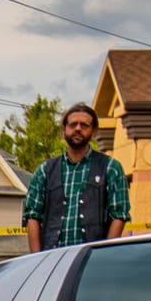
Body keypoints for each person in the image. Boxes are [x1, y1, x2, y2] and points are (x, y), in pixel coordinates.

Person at [23, 103, 129, 251]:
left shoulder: (111, 168)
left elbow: (119, 215)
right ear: (63, 129)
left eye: (84, 125)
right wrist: (37, 259)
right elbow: (32, 217)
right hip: (52, 259)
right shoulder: (44, 171)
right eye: (73, 124)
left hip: (92, 259)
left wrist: (105, 254)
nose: (78, 128)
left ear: (94, 131)